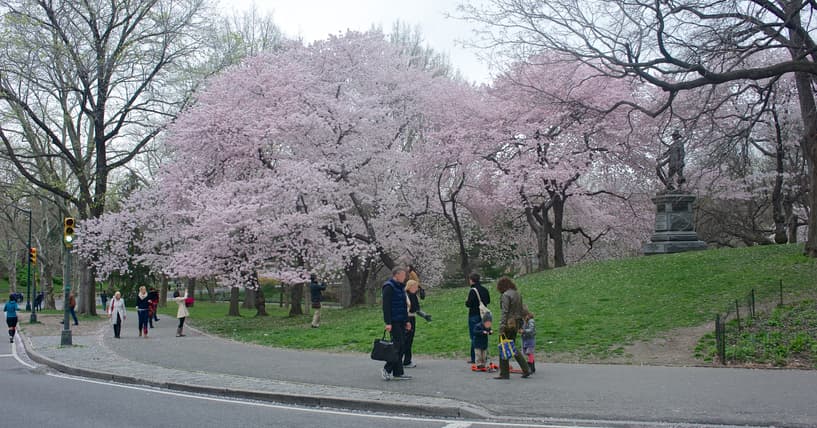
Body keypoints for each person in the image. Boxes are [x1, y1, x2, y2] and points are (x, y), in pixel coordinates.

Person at [494, 276, 531, 379]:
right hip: (516, 323)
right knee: (511, 345)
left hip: (508, 323)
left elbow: (505, 312)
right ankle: (525, 369)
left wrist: (501, 326)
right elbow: (521, 309)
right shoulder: (517, 294)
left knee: (504, 346)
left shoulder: (505, 295)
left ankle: (504, 373)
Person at [380, 266, 412, 381]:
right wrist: (388, 322)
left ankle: (398, 372)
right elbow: (386, 306)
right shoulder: (389, 287)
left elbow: (403, 305)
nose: (404, 278)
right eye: (403, 275)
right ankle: (387, 369)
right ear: (396, 275)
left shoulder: (400, 287)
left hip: (401, 320)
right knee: (398, 345)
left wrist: (407, 321)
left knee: (402, 345)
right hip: (393, 320)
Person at [465, 272, 490, 364]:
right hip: (483, 316)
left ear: (472, 280)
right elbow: (488, 300)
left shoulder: (473, 291)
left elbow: (468, 304)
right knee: (484, 334)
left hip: (474, 315)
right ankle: (484, 356)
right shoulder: (484, 289)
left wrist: (467, 301)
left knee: (474, 335)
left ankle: (475, 357)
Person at [402, 279, 421, 368]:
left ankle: (404, 359)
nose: (417, 288)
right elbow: (415, 308)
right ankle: (406, 360)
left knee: (407, 339)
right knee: (408, 340)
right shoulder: (410, 296)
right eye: (415, 287)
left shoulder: (407, 295)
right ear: (411, 287)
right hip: (409, 318)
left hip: (408, 317)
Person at [521, 305, 536, 373]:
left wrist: (524, 331)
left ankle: (531, 366)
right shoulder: (524, 320)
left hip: (530, 339)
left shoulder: (531, 321)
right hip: (525, 339)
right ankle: (531, 365)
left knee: (530, 352)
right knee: (526, 352)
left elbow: (531, 329)